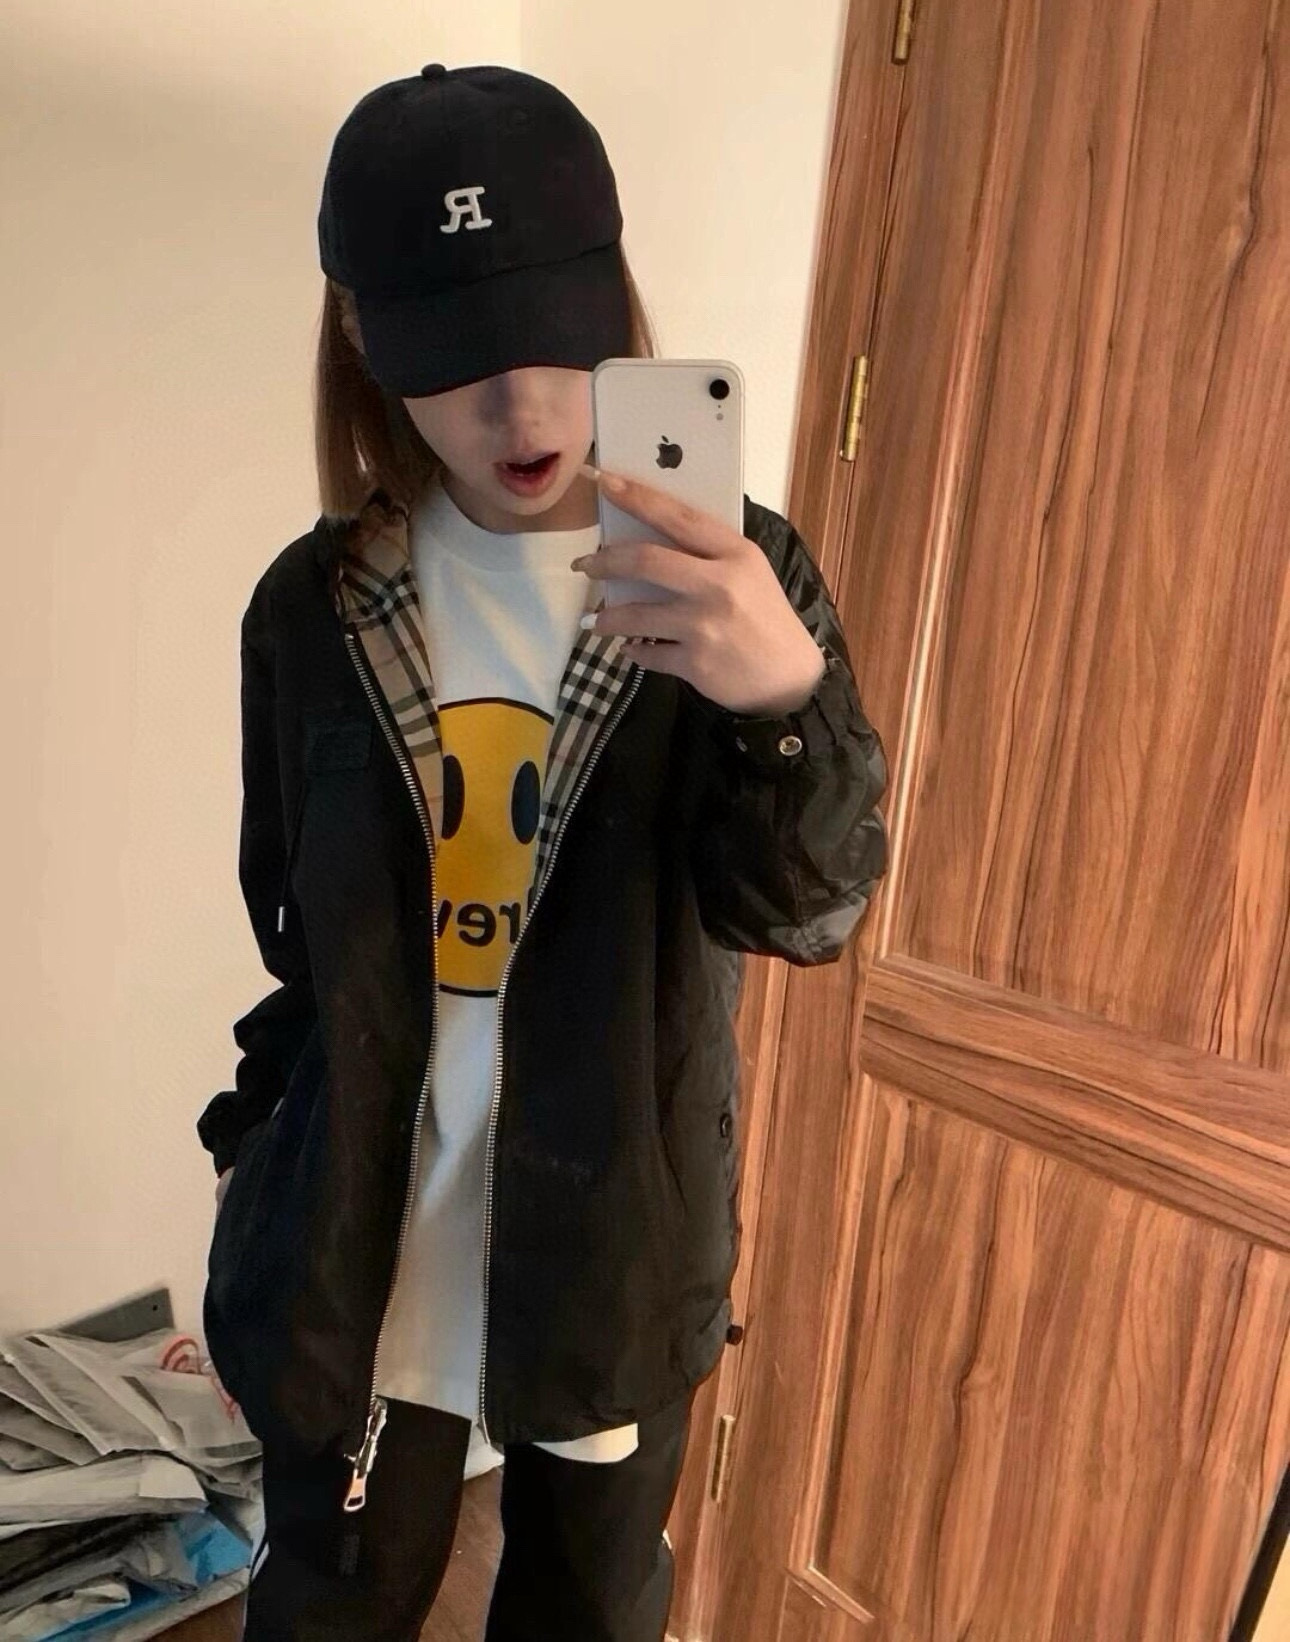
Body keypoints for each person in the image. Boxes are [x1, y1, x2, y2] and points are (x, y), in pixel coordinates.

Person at [196, 61, 890, 1642]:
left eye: (554, 337)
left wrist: (780, 702)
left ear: (615, 300)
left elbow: (806, 909)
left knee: (588, 1612)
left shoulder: (738, 571)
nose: (518, 409)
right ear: (365, 337)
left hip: (609, 1255)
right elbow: (291, 931)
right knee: (322, 1614)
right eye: (455, 355)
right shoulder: (314, 604)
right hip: (366, 1256)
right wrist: (252, 1165)